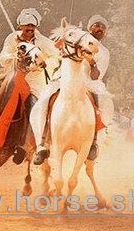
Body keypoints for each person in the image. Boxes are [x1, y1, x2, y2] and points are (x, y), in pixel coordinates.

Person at [0, 8, 60, 153]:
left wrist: (43, 65)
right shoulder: (12, 38)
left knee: (37, 105)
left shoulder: (43, 41)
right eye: (27, 26)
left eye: (32, 26)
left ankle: (32, 142)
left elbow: (56, 55)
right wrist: (14, 58)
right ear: (20, 27)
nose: (30, 29)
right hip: (11, 74)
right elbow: (2, 57)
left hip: (33, 79)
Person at [32, 14, 114, 165]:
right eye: (96, 25)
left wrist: (92, 62)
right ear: (89, 27)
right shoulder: (77, 37)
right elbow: (57, 50)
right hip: (64, 79)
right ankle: (41, 144)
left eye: (103, 27)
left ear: (106, 32)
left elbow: (96, 76)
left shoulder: (104, 52)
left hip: (88, 83)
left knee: (105, 103)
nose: (99, 28)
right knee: (42, 101)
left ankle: (95, 142)